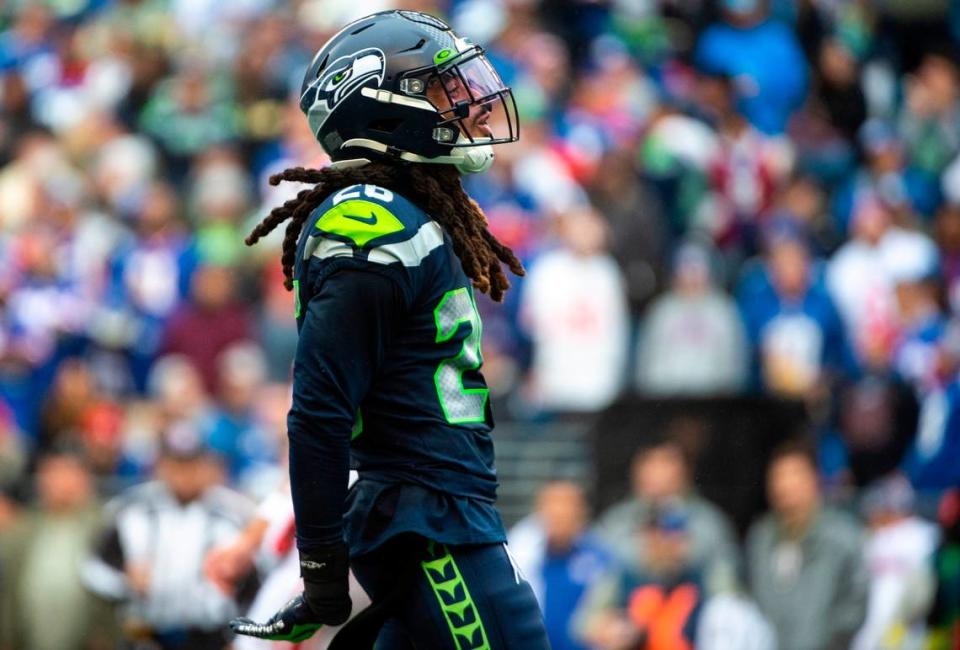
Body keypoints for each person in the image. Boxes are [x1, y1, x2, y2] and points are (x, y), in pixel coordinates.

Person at [231, 10, 549, 648]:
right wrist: (322, 564)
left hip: (439, 513)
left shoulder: (406, 215)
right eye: (442, 87)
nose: (470, 104)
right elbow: (319, 410)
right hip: (425, 521)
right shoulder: (368, 222)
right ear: (383, 105)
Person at [746, 439, 868, 650]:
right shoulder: (761, 537)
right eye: (779, 476)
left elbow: (855, 603)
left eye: (795, 474)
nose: (786, 485)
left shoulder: (842, 536)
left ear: (814, 478)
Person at [508, 481, 613, 650]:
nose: (560, 514)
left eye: (568, 509)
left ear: (582, 513)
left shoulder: (600, 559)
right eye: (553, 510)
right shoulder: (519, 555)